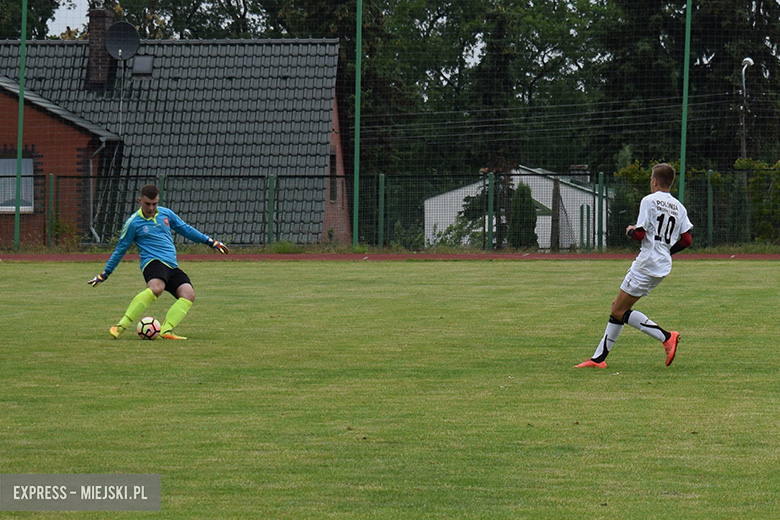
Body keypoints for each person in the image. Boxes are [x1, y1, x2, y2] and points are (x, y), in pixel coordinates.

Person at [575, 163, 692, 368]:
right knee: (618, 308)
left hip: (647, 263)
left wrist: (630, 230)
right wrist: (666, 251)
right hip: (662, 265)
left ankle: (666, 337)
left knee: (618, 310)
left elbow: (639, 234)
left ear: (654, 181)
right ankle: (598, 359)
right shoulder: (679, 207)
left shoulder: (649, 200)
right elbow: (687, 239)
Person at [87, 184, 229, 340]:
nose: (151, 208)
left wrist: (211, 242)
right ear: (140, 200)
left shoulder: (166, 214)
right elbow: (120, 250)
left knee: (188, 294)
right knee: (156, 288)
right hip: (152, 262)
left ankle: (166, 331)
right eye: (147, 204)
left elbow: (186, 229)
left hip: (172, 266)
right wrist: (105, 274)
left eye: (154, 204)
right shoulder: (133, 223)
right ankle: (120, 326)